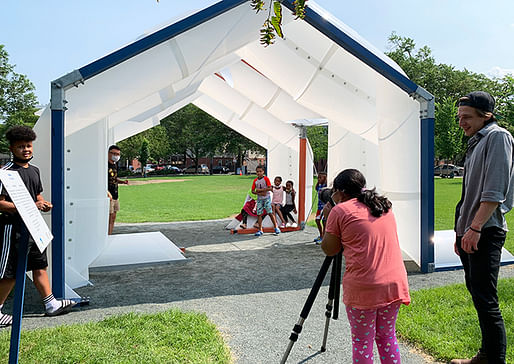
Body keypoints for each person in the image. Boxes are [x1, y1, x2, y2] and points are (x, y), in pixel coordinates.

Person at [321, 169, 410, 364]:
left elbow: (329, 249)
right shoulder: (383, 206)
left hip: (365, 286)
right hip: (394, 283)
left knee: (362, 341)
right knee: (387, 337)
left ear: (341, 192)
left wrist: (328, 217)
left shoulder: (339, 211)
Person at [451, 91, 513, 364]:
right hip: (471, 230)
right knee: (478, 295)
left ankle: (494, 359)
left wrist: (474, 228)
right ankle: (486, 355)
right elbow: (469, 194)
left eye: (466, 117)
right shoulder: (477, 141)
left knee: (486, 300)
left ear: (486, 115)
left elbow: (494, 191)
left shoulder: (497, 137)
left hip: (485, 230)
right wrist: (461, 231)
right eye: (459, 117)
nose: (461, 122)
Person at [0, 126, 77, 327]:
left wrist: (43, 204)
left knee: (40, 265)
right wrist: (27, 207)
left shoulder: (34, 171)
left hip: (34, 228)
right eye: (20, 146)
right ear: (12, 148)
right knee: (11, 272)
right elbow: (0, 203)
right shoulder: (5, 173)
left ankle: (50, 304)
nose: (26, 149)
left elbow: (37, 196)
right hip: (13, 229)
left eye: (28, 145)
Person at [251, 165, 280, 236]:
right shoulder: (255, 181)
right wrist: (259, 193)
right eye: (257, 172)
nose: (259, 173)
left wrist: (261, 191)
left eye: (260, 171)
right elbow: (253, 191)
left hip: (266, 198)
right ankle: (260, 229)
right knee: (259, 214)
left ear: (263, 172)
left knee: (270, 212)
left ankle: (276, 227)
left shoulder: (266, 179)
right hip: (260, 199)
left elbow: (270, 188)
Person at [108, 145, 128, 235]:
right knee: (108, 218)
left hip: (115, 195)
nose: (116, 156)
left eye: (118, 154)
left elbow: (114, 178)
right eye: (114, 154)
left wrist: (122, 182)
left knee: (113, 218)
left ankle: (109, 235)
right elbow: (100, 181)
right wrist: (107, 193)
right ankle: (105, 237)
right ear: (109, 153)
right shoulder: (105, 165)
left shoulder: (115, 165)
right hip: (109, 197)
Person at [314, 172, 327, 243]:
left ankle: (324, 237)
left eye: (320, 178)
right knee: (317, 220)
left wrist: (325, 180)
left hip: (324, 207)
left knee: (324, 221)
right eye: (318, 177)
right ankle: (321, 234)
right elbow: (316, 188)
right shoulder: (319, 186)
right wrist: (318, 182)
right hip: (319, 207)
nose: (318, 179)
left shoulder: (326, 186)